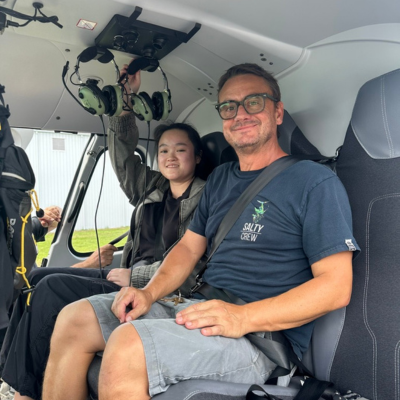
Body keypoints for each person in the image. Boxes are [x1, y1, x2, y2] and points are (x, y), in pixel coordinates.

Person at [41, 62, 359, 400]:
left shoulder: (313, 181)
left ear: (278, 112)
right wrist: (149, 292)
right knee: (73, 319)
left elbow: (336, 287)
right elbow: (188, 249)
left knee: (126, 344)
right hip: (194, 305)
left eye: (254, 102)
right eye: (229, 106)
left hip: (259, 338)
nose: (240, 114)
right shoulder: (221, 179)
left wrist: (242, 317)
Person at [0, 63, 205, 400]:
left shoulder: (204, 198)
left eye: (180, 150)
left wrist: (137, 278)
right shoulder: (152, 186)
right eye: (164, 150)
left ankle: (24, 393)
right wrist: (127, 102)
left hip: (154, 288)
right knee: (35, 279)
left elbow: (193, 262)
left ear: (197, 157)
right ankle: (10, 378)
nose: (169, 156)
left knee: (50, 289)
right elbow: (123, 157)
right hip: (125, 274)